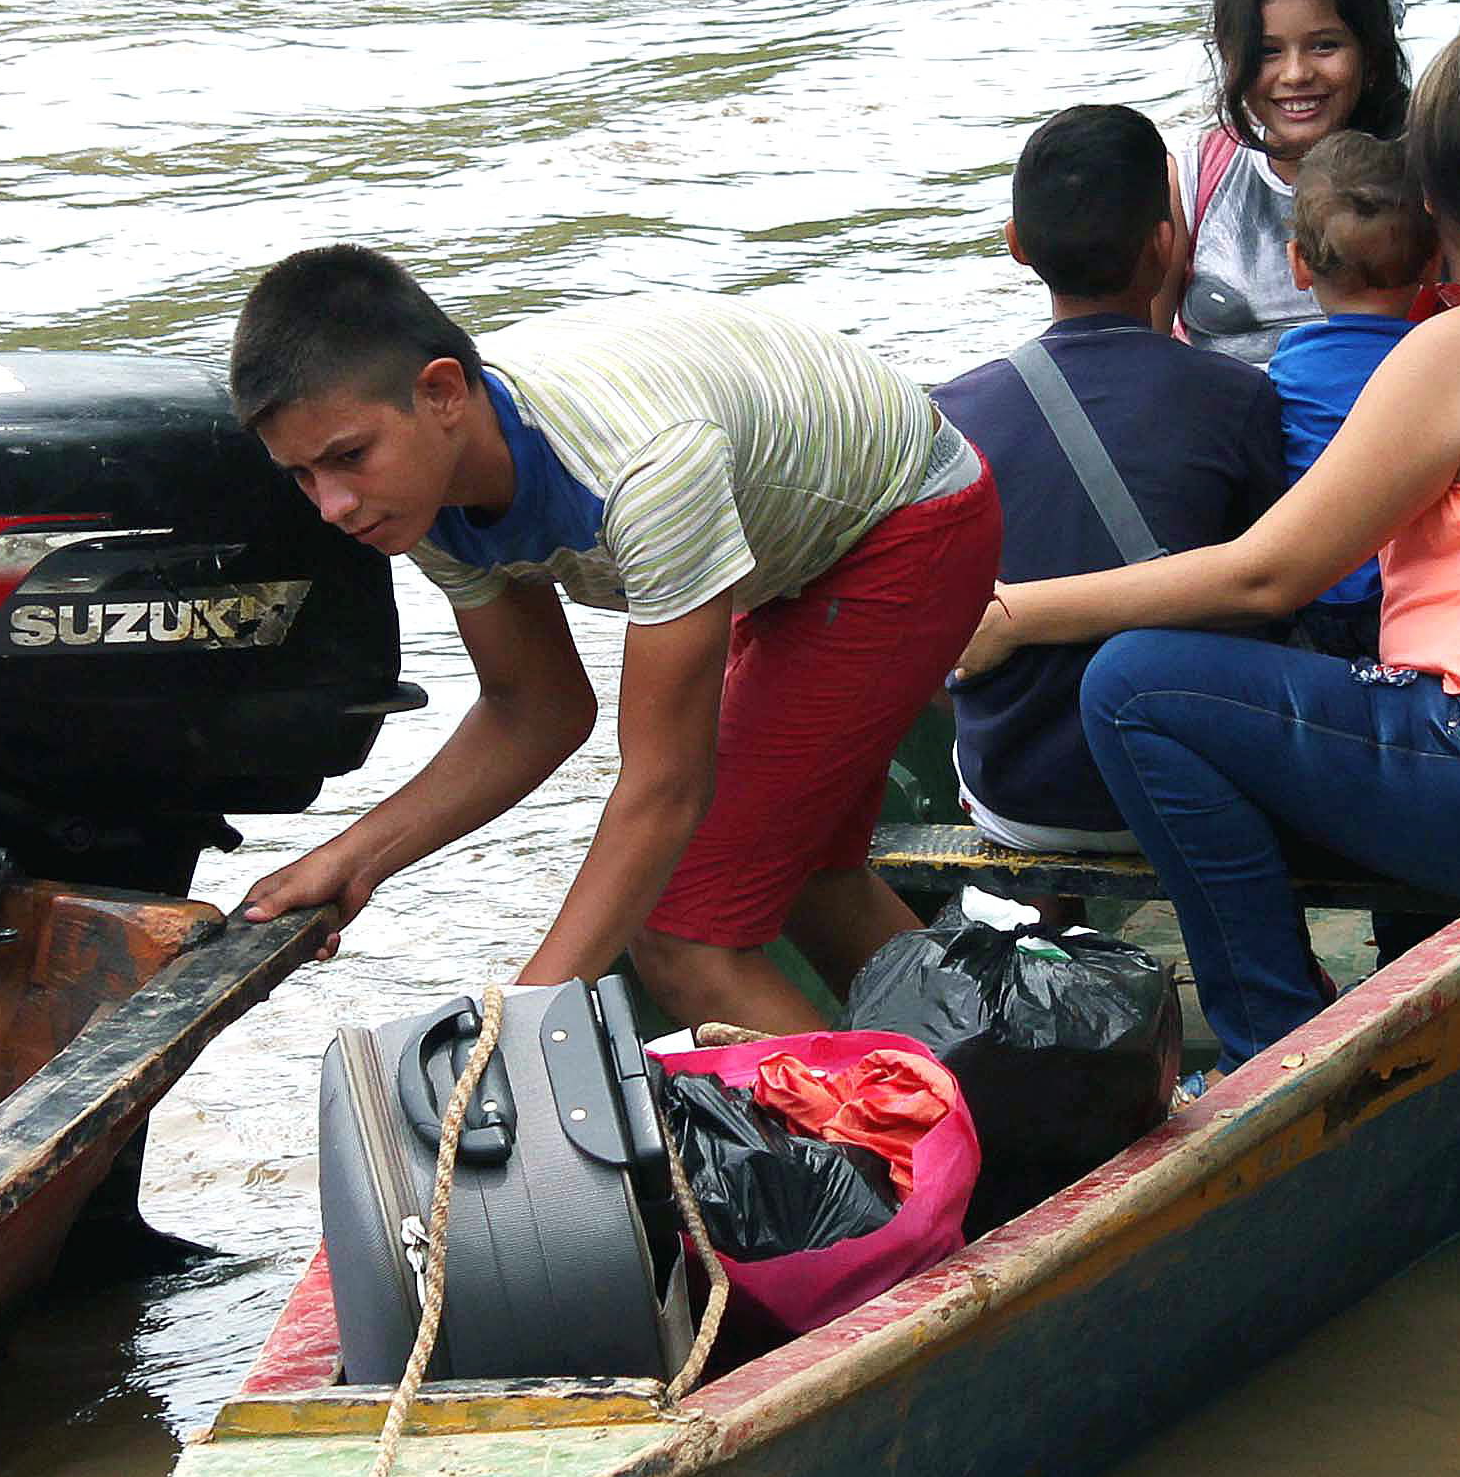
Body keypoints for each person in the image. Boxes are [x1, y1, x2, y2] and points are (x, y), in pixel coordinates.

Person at [953, 29, 1460, 1067]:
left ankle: (1274, 1043)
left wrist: (1020, 611)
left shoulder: (1459, 349)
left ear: (1432, 199)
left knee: (1134, 689)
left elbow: (1269, 573)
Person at [228, 248, 999, 1033]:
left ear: (442, 392)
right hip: (786, 549)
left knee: (682, 937)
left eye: (348, 457)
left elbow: (668, 785)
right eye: (302, 475)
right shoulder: (415, 495)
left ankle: (899, 1145)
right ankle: (993, 1077)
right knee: (797, 872)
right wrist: (353, 860)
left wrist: (522, 1021)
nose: (332, 505)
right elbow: (538, 709)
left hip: (905, 522)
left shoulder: (645, 468)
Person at [932, 107, 1292, 853]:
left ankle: (1055, 935)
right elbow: (1271, 607)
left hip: (1016, 797)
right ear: (1166, 246)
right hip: (1186, 785)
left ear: (1016, 247)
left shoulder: (950, 411)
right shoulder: (1239, 396)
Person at [1180, 0, 1415, 366]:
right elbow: (1138, 352)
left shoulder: (1425, 175)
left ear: (1371, 54)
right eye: (1267, 52)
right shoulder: (1195, 179)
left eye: (1324, 46)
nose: (1295, 74)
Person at [1264, 132, 1433, 658]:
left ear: (1298, 264)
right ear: (1433, 263)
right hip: (1408, 596)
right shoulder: (1441, 360)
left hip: (1315, 593)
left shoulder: (1286, 368)